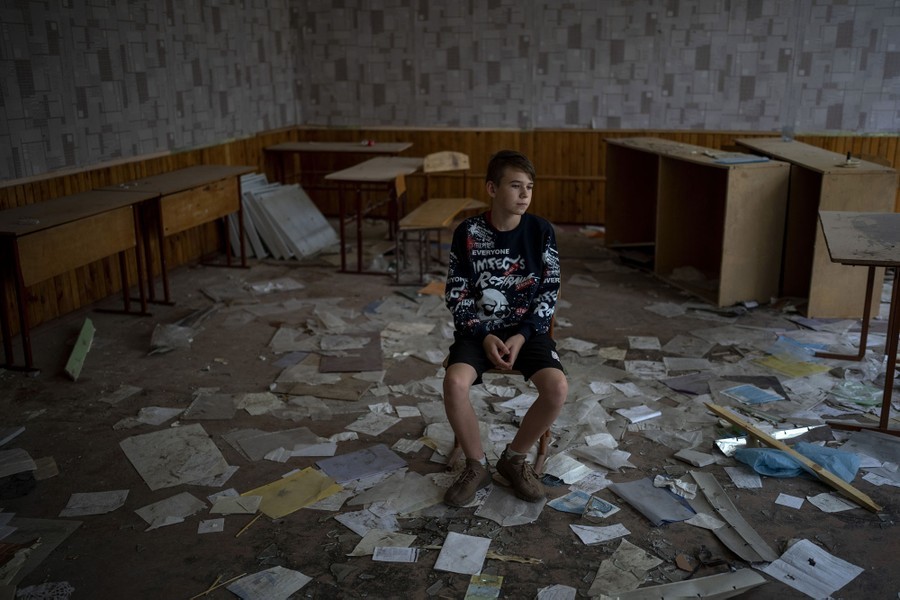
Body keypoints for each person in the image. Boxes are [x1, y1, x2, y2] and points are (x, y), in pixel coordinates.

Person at [442, 149, 568, 507]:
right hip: (477, 333)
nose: (525, 194)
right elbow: (457, 293)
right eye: (515, 185)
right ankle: (476, 464)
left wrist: (522, 334)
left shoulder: (541, 231)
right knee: (454, 382)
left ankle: (514, 459)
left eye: (529, 186)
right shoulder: (468, 232)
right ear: (492, 189)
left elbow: (548, 292)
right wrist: (483, 337)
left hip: (527, 334)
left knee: (557, 388)